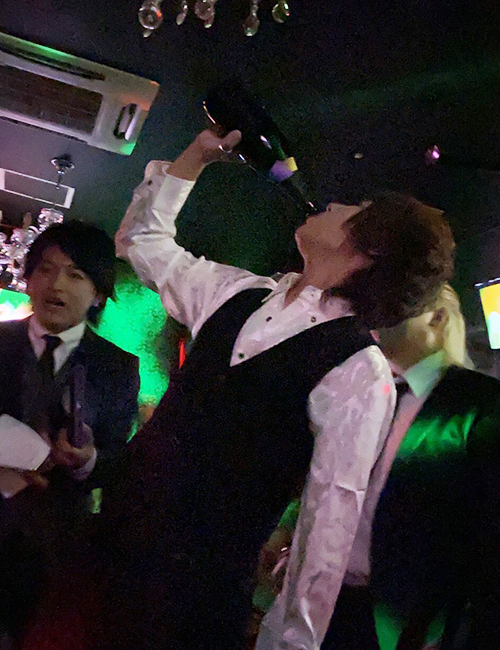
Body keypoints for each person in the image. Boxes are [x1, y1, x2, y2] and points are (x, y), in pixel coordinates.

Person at [22, 128, 454, 650]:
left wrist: (286, 643)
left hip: (193, 605)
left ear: (371, 249)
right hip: (105, 556)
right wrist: (196, 158)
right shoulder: (241, 292)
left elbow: (326, 529)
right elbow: (141, 242)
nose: (336, 204)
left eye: (356, 209)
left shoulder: (359, 371)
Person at [258, 283, 500, 650]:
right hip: (324, 600)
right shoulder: (362, 388)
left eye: (395, 306)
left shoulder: (480, 403)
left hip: (408, 622)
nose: (376, 317)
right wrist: (289, 527)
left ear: (436, 317)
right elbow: (330, 474)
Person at [0, 221, 139, 643]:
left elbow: (116, 460)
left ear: (98, 293)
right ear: (27, 279)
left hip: (52, 547)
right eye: (45, 269)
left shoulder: (117, 366)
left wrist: (87, 460)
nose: (55, 284)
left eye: (75, 274)